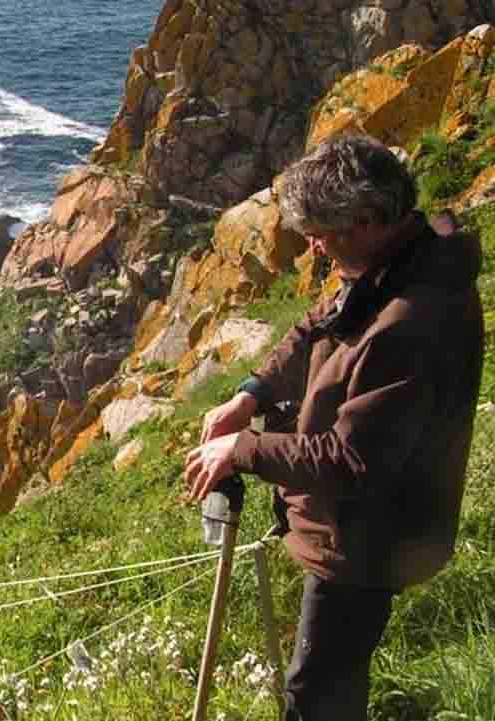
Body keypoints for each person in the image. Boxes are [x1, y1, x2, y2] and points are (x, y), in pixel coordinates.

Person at [182, 134, 485, 721]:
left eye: (322, 233)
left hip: (369, 539)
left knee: (319, 694)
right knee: (322, 680)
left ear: (369, 219)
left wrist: (244, 449)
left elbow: (351, 461)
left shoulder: (412, 322)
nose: (316, 249)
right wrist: (253, 393)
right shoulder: (396, 262)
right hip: (351, 526)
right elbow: (317, 325)